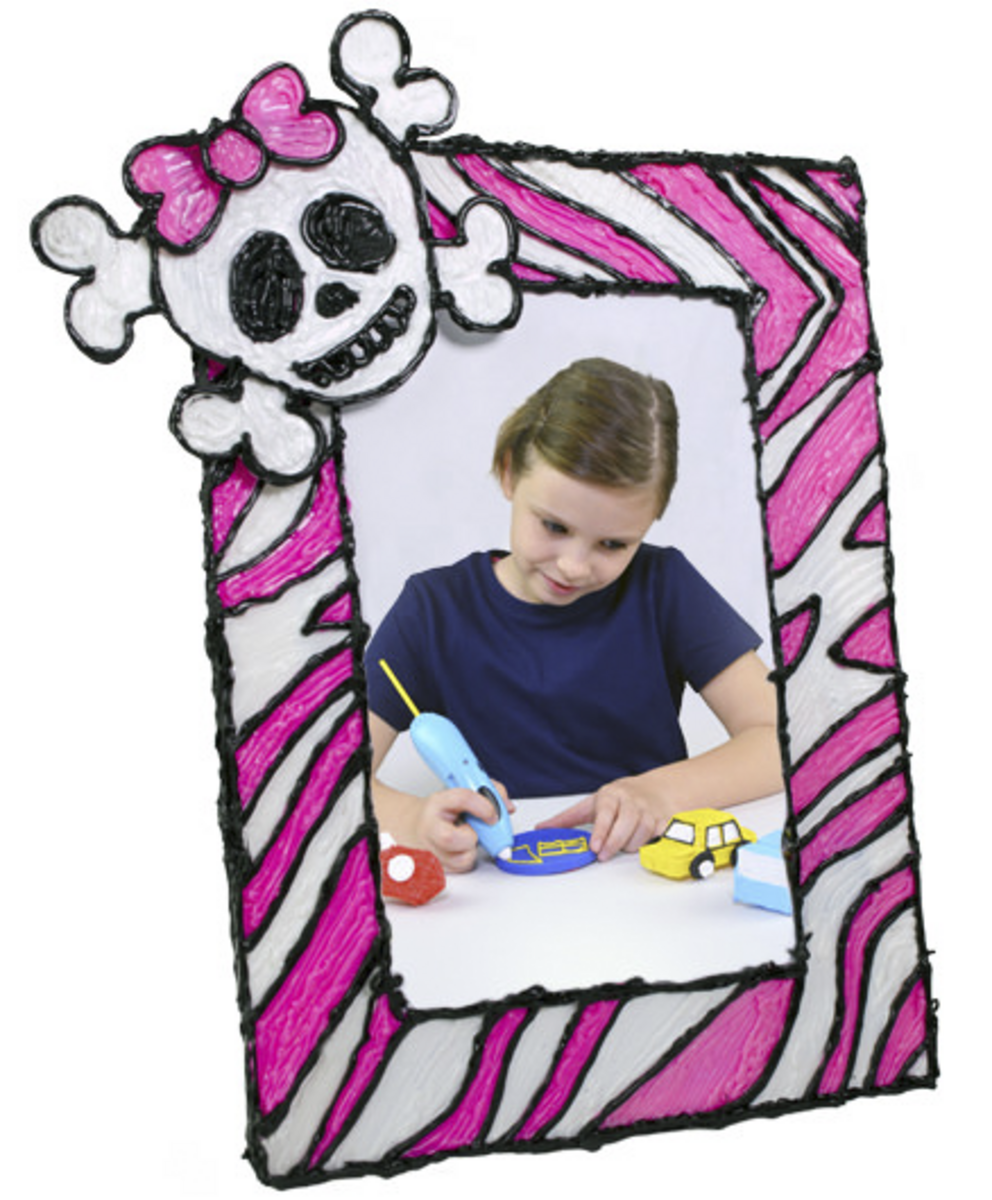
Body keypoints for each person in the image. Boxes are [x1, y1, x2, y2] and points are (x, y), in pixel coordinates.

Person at [365, 357, 782, 872]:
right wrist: (414, 821)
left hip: (645, 878)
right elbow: (325, 777)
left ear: (650, 520)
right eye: (554, 526)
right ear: (509, 472)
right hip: (499, 892)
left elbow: (779, 734)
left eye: (613, 544)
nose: (574, 566)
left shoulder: (665, 587)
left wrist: (660, 792)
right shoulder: (431, 612)